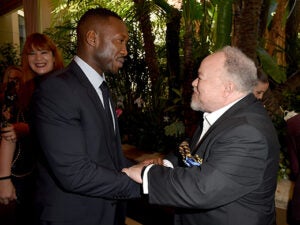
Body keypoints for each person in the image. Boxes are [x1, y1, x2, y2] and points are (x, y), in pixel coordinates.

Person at [123, 46, 280, 225]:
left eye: (200, 77)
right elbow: (195, 148)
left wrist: (146, 173)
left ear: (227, 88)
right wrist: (167, 163)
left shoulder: (249, 132)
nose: (193, 83)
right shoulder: (223, 114)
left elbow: (203, 188)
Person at [32, 8, 142, 225]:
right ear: (92, 38)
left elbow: (107, 155)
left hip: (108, 214)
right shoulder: (56, 90)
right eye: (120, 40)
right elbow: (75, 173)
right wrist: (147, 184)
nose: (125, 50)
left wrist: (143, 168)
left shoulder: (100, 88)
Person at [0, 33, 64, 225]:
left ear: (54, 56)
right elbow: (8, 133)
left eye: (44, 52)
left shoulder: (67, 87)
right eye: (32, 53)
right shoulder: (25, 90)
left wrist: (25, 128)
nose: (38, 58)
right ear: (26, 59)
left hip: (62, 176)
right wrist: (3, 179)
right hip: (29, 176)